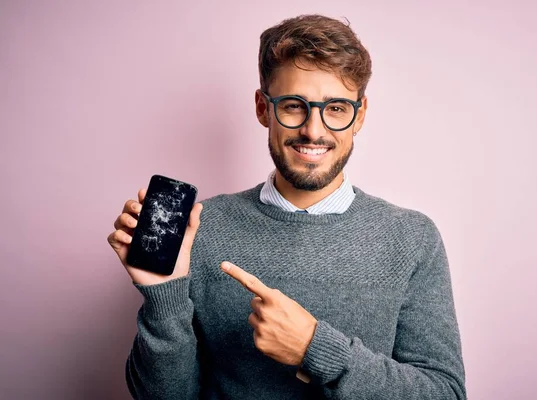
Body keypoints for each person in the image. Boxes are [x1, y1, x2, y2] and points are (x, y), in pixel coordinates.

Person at [107, 14, 466, 399]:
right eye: (294, 106)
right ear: (263, 108)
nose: (314, 130)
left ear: (359, 115)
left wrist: (316, 349)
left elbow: (444, 393)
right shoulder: (199, 229)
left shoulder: (412, 238)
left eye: (336, 108)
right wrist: (165, 297)